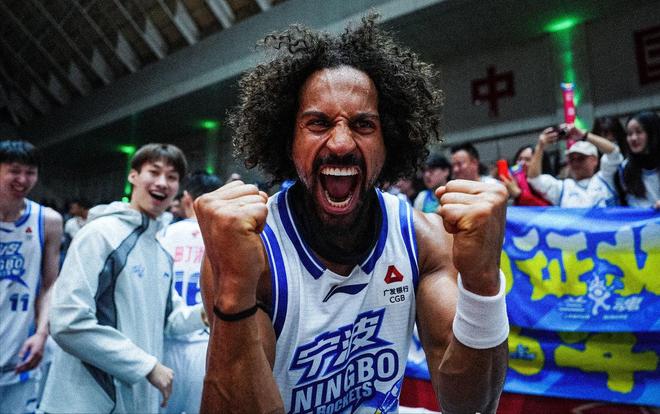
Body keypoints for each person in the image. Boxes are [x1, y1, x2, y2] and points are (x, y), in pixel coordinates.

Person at [196, 15, 509, 413]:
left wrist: (483, 283)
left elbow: (471, 406)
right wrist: (234, 289)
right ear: (288, 140)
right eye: (318, 123)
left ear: (389, 139)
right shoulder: (254, 252)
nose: (341, 143)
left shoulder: (422, 238)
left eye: (363, 124)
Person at [40, 144, 207, 413]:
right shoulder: (100, 235)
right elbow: (67, 321)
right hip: (86, 403)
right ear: (133, 176)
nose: (162, 182)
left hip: (132, 401)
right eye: (154, 172)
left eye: (172, 177)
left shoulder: (161, 252)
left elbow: (168, 321)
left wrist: (207, 313)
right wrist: (146, 366)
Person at [0, 140, 62, 414]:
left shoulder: (47, 221)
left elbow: (50, 285)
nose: (23, 179)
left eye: (30, 172)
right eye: (14, 171)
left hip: (20, 355)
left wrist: (41, 333)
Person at [158, 170, 221, 414]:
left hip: (165, 342)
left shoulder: (164, 234)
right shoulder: (223, 237)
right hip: (206, 344)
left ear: (186, 197)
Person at [527, 124, 622, 207]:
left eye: (581, 158)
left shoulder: (606, 178)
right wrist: (540, 145)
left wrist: (585, 135)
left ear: (594, 160)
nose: (575, 163)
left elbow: (614, 152)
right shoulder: (563, 188)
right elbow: (534, 178)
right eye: (572, 159)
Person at [615, 111, 660, 208]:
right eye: (629, 134)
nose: (633, 138)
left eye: (639, 132)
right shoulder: (624, 168)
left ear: (653, 133)